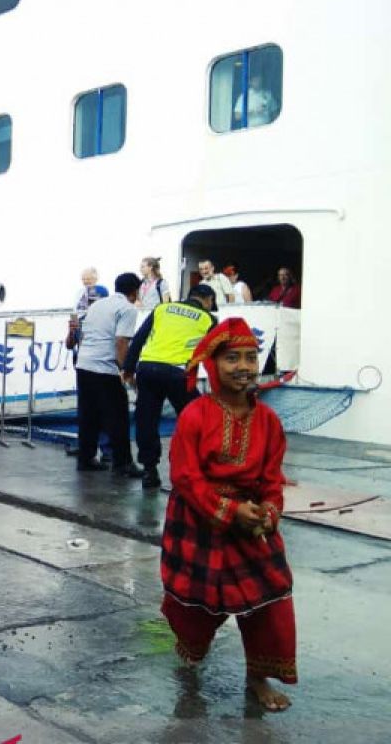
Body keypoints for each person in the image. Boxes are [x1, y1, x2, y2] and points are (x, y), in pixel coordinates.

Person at [161, 318, 297, 711]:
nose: (244, 366)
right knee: (194, 602)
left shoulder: (269, 421)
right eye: (232, 358)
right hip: (198, 520)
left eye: (251, 357)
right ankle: (191, 645)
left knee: (271, 596)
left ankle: (258, 677)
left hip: (251, 523)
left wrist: (268, 513)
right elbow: (185, 477)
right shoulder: (195, 415)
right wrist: (228, 511)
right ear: (212, 365)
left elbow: (272, 479)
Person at [122, 284, 217, 488]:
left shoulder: (162, 309)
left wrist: (128, 368)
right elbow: (215, 355)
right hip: (178, 373)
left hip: (147, 369)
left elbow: (138, 339)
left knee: (146, 420)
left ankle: (149, 471)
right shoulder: (207, 319)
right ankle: (198, 466)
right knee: (199, 419)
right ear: (208, 300)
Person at [75, 273, 144, 476]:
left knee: (88, 415)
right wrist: (127, 371)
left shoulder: (98, 305)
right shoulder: (127, 309)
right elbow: (121, 343)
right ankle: (122, 463)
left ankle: (86, 458)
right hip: (104, 367)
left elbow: (85, 333)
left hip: (84, 363)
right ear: (134, 291)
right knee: (118, 416)